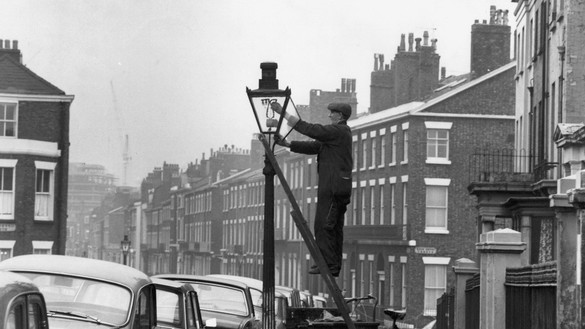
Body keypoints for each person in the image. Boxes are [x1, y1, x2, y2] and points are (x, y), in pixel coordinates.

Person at [270, 102, 353, 277]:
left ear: (340, 116)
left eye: (332, 113)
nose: (329, 116)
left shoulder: (339, 131)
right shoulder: (334, 138)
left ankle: (327, 264)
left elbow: (311, 129)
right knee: (334, 228)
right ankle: (332, 265)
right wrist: (287, 144)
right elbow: (313, 146)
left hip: (333, 188)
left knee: (323, 225)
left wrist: (283, 113)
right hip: (337, 188)